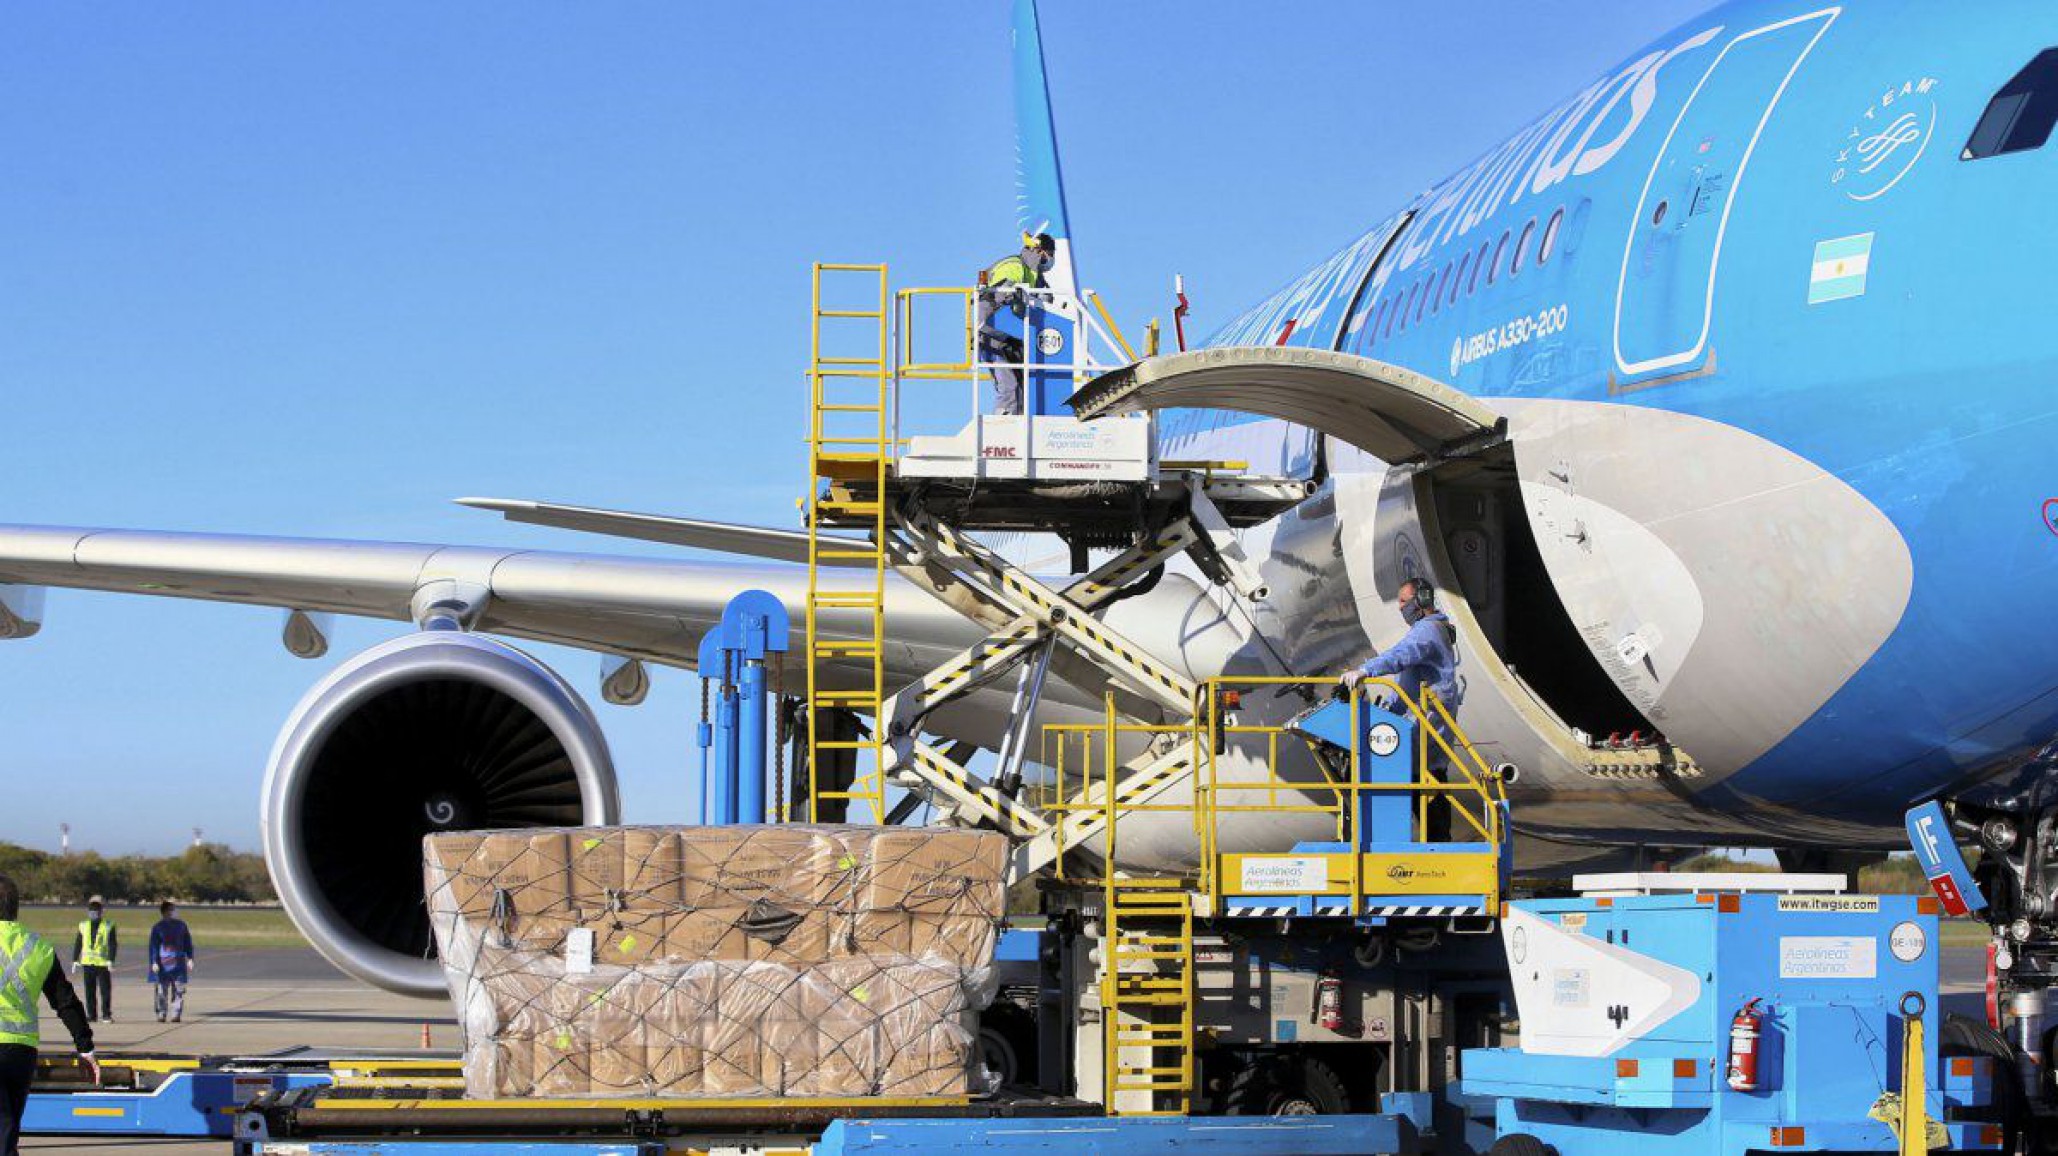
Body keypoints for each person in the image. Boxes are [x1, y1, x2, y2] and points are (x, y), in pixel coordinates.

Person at [1342, 579, 1463, 837]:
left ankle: (1422, 841)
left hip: (1427, 715)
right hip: (1425, 712)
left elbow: (1402, 654)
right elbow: (1408, 681)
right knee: (1425, 774)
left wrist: (1366, 670)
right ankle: (1436, 840)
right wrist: (1388, 709)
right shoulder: (1431, 628)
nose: (1400, 607)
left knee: (1413, 772)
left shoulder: (1426, 631)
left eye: (1403, 601)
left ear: (1420, 600)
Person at [0, 874, 98, 1156]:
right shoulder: (39, 947)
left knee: (4, 1132)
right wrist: (85, 1046)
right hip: (21, 1052)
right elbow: (64, 1001)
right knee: (8, 1130)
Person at [976, 232, 1057, 416]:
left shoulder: (1034, 273)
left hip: (1012, 337)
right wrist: (1014, 295)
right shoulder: (1014, 266)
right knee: (1009, 388)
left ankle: (1021, 427)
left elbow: (1045, 298)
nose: (1051, 259)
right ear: (1040, 251)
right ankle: (1003, 432)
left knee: (1024, 386)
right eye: (1050, 253)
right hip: (993, 333)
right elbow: (1000, 292)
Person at [147, 901, 196, 1023]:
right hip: (163, 964)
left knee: (178, 990)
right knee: (161, 991)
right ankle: (162, 1013)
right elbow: (153, 946)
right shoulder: (157, 927)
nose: (174, 912)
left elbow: (187, 943)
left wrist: (190, 958)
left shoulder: (182, 926)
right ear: (164, 912)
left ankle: (176, 1013)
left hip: (178, 963)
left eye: (174, 909)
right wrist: (154, 962)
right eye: (171, 909)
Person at [70, 897, 116, 1023]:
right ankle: (91, 1014)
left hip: (102, 963)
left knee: (105, 991)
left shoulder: (108, 925)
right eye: (91, 911)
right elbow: (78, 942)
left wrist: (111, 960)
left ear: (101, 912)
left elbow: (113, 944)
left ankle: (106, 1014)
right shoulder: (83, 925)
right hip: (87, 963)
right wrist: (75, 959)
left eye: (96, 912)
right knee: (89, 991)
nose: (93, 914)